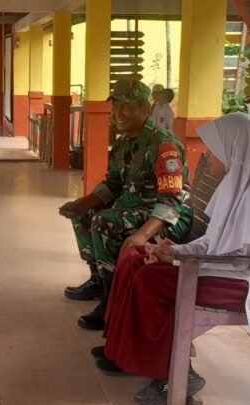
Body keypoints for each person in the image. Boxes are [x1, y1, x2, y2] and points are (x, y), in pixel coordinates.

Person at [93, 113, 250, 405]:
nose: (207, 155)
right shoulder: (236, 187)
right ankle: (122, 352)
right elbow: (213, 242)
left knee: (151, 280)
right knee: (135, 257)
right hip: (225, 271)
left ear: (234, 151)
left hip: (247, 284)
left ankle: (172, 375)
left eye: (214, 150)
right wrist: (174, 250)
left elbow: (240, 263)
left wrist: (179, 261)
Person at [59, 80, 193, 331]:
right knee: (84, 214)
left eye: (127, 107)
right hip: (136, 211)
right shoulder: (123, 143)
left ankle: (112, 300)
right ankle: (99, 278)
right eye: (116, 106)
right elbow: (113, 184)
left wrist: (143, 235)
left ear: (145, 108)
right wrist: (82, 204)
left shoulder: (164, 145)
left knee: (105, 222)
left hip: (165, 220)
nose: (118, 113)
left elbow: (172, 201)